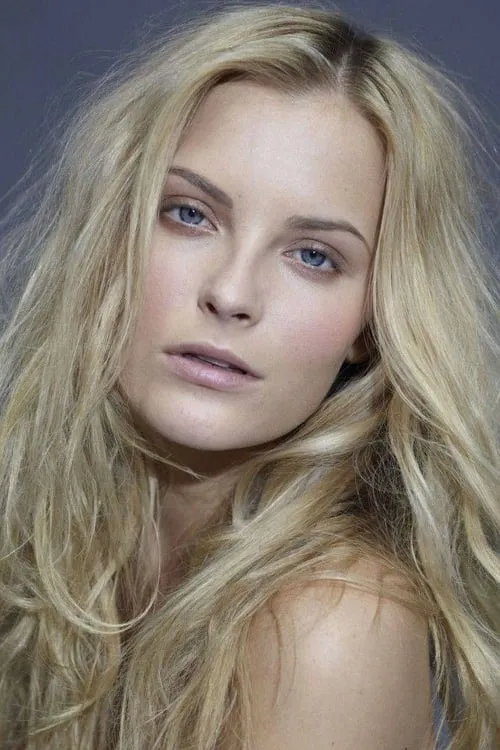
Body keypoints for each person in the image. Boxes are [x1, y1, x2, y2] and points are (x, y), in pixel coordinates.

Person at [0, 3, 498, 749]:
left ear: (370, 326)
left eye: (313, 256)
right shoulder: (58, 547)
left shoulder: (328, 625)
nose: (231, 294)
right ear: (113, 235)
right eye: (190, 214)